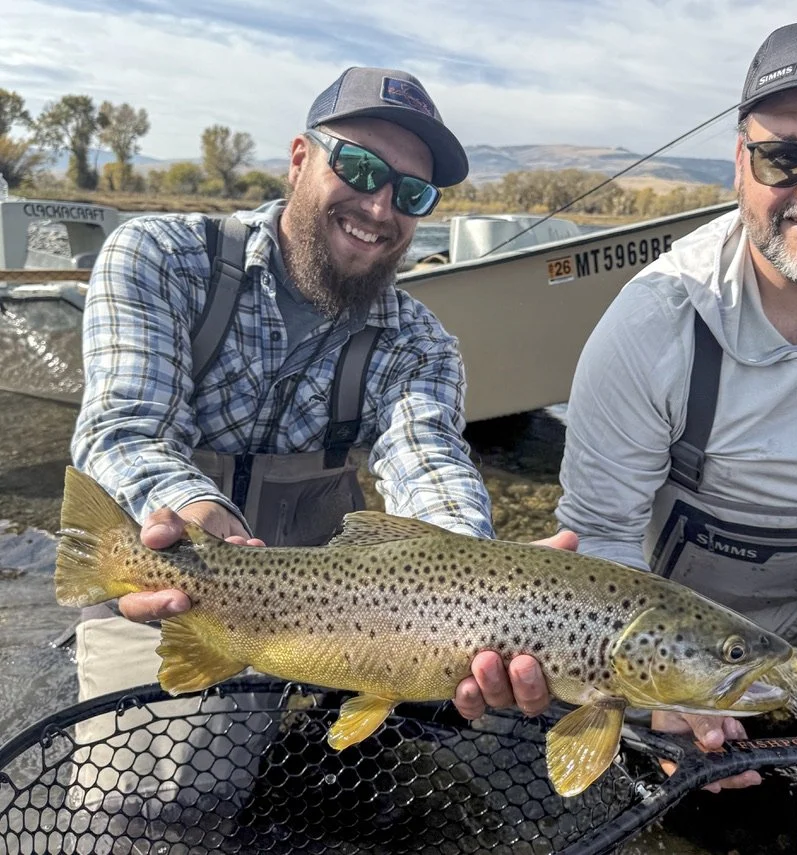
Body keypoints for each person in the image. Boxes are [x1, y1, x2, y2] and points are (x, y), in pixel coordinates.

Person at [70, 65, 570, 818]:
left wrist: (486, 577)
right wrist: (192, 513)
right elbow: (125, 431)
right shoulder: (161, 255)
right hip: (175, 582)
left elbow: (428, 461)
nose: (379, 207)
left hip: (354, 613)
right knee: (157, 801)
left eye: (412, 194)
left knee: (475, 729)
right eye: (361, 169)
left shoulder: (420, 343)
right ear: (300, 159)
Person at [551, 13, 797, 792]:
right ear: (740, 161)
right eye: (784, 156)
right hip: (686, 633)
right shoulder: (653, 323)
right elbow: (601, 537)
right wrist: (658, 688)